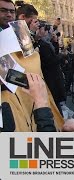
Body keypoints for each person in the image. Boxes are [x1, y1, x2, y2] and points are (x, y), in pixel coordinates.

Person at [0, 0, 64, 131]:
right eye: (3, 11)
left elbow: (33, 65)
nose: (8, 14)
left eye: (11, 11)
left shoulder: (20, 32)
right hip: (7, 105)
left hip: (29, 99)